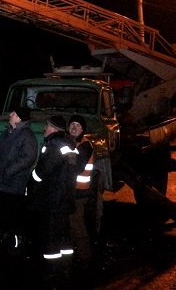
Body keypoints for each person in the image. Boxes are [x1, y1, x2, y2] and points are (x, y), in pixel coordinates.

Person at [0, 105, 38, 254]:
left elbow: (28, 158)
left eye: (13, 113)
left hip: (13, 184)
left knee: (11, 213)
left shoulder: (27, 135)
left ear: (19, 118)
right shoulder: (6, 133)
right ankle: (2, 239)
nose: (10, 115)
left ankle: (15, 244)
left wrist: (8, 171)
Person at [30, 115, 78, 281]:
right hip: (66, 199)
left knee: (51, 237)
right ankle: (66, 268)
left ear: (54, 128)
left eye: (47, 126)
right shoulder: (70, 146)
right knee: (64, 236)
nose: (44, 128)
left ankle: (52, 272)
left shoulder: (54, 145)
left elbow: (41, 172)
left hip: (52, 200)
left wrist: (32, 177)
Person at [68, 114, 95, 268]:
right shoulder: (70, 143)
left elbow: (74, 166)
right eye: (72, 124)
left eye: (77, 125)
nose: (74, 127)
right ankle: (72, 257)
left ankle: (86, 259)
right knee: (71, 224)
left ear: (83, 129)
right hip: (71, 191)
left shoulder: (85, 146)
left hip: (79, 192)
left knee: (77, 224)